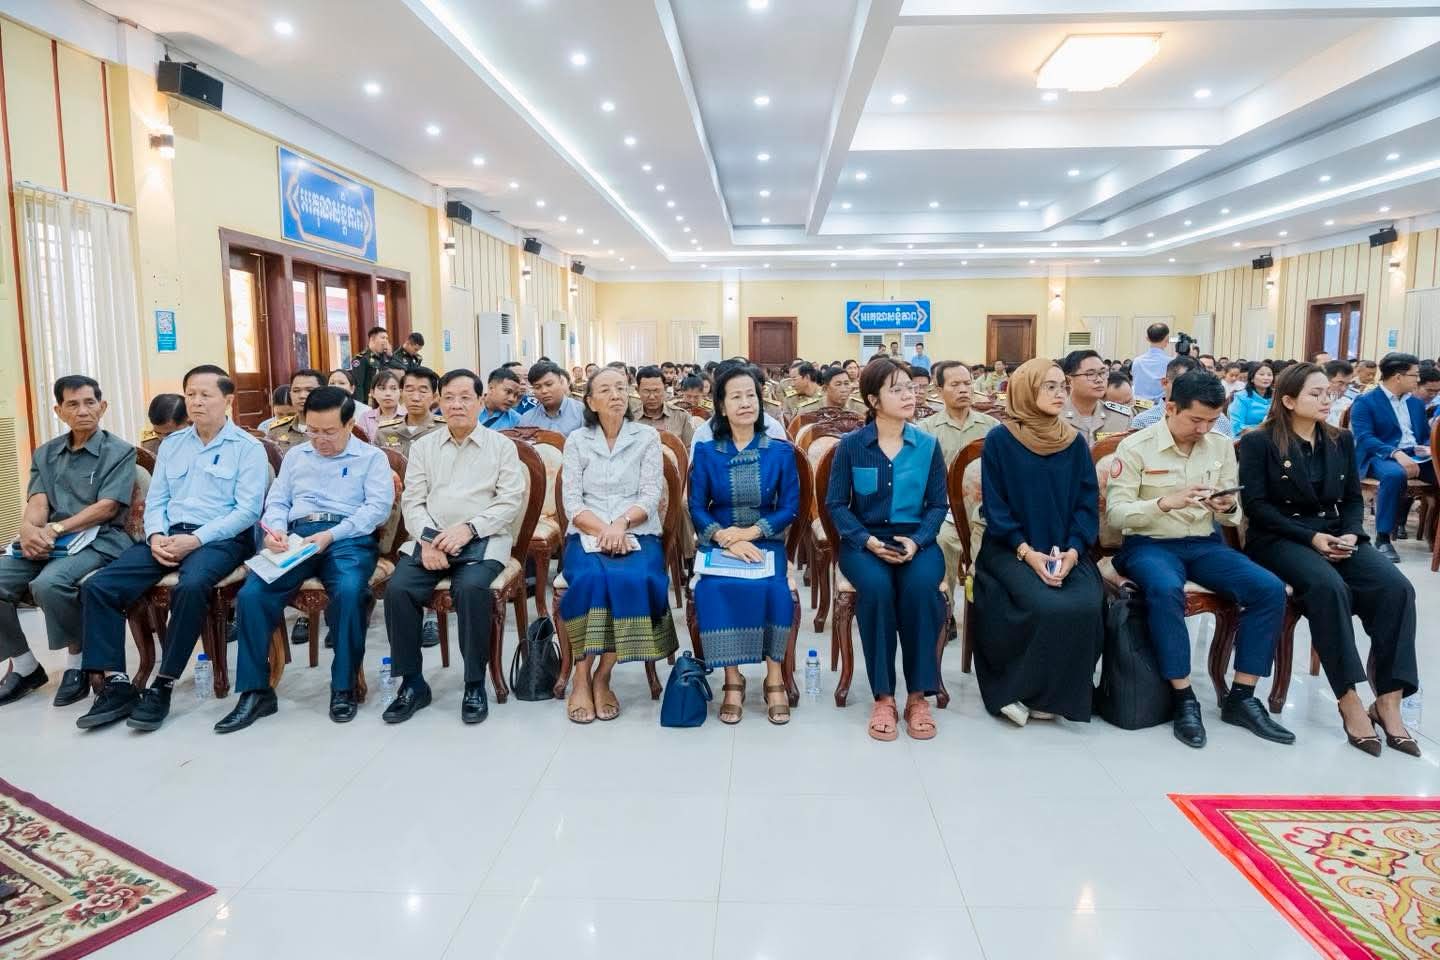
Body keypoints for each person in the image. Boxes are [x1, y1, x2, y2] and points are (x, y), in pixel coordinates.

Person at [1237, 363, 1419, 757]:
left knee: (1396, 588)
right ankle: (1348, 698)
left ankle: (1388, 700)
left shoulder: (1340, 439)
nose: (1327, 400)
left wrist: (1351, 533)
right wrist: (1311, 537)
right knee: (1328, 587)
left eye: (1329, 393)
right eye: (1316, 394)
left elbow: (1352, 498)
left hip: (1335, 532)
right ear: (1289, 401)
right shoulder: (1259, 441)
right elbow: (1256, 507)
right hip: (1280, 537)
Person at [1106, 370, 1293, 750]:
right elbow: (1116, 514)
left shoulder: (1219, 445)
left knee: (1269, 589)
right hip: (1149, 544)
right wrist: (1164, 502)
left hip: (1204, 544)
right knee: (1164, 588)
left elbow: (1232, 515)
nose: (1204, 429)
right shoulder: (1136, 446)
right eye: (1196, 420)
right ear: (1170, 407)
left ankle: (1242, 696)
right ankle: (1183, 696)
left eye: (1212, 420)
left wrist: (1226, 506)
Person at [76, 365, 268, 732]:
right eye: (190, 394)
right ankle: (117, 684)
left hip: (221, 539)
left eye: (205, 395)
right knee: (99, 586)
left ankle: (163, 683)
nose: (196, 402)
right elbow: (158, 500)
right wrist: (155, 536)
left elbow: (247, 512)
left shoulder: (248, 448)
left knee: (191, 585)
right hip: (167, 535)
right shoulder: (173, 444)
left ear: (228, 400)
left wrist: (196, 540)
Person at [214, 387, 394, 733]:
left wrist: (332, 535)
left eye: (329, 431)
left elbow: (376, 510)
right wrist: (276, 531)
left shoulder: (371, 458)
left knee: (350, 592)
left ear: (349, 425)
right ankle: (256, 692)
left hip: (348, 538)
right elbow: (278, 500)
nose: (320, 439)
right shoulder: (296, 456)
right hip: (297, 538)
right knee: (252, 595)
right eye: (313, 430)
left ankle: (343, 687)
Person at [381, 370, 527, 725]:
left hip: (483, 539)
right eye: (449, 397)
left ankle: (474, 683)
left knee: (471, 590)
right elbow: (413, 501)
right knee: (398, 590)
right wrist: (429, 539)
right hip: (431, 539)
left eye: (465, 397)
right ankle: (412, 684)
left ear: (480, 400)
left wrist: (469, 529)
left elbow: (509, 501)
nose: (456, 405)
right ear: (439, 402)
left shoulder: (501, 447)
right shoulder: (424, 447)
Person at [972, 359, 1104, 726]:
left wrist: (1073, 552)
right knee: (1042, 603)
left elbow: (1086, 504)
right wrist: (1029, 554)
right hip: (1010, 548)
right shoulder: (1000, 441)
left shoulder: (1073, 442)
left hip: (1065, 548)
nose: (1060, 393)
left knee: (1086, 603)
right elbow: (996, 510)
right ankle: (1018, 689)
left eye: (1063, 386)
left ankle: (1059, 694)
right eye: (1049, 386)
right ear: (1026, 390)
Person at [825, 359, 948, 742]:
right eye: (897, 389)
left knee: (920, 589)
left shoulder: (927, 446)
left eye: (910, 387)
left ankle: (918, 696)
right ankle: (883, 697)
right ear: (873, 400)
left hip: (916, 539)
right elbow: (836, 505)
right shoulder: (851, 446)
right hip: (865, 541)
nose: (909, 395)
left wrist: (917, 540)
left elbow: (937, 505)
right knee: (877, 589)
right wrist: (867, 541)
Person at [0, 376, 136, 708]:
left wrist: (55, 529)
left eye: (90, 402)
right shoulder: (46, 453)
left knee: (49, 584)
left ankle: (78, 661)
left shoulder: (119, 451)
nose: (83, 411)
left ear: (102, 407)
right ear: (59, 411)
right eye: (72, 404)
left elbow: (107, 507)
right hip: (52, 538)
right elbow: (38, 502)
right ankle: (25, 666)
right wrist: (29, 530)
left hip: (100, 538)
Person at [558, 368, 678, 724]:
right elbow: (572, 502)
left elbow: (650, 494)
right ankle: (581, 674)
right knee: (590, 579)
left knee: (637, 579)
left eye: (621, 389)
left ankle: (603, 675)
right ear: (590, 401)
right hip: (587, 531)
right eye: (606, 390)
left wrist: (621, 525)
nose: (615, 395)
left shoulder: (646, 437)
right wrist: (606, 530)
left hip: (637, 530)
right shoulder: (577, 440)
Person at [689, 364, 799, 725]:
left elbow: (789, 508)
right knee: (714, 588)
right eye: (736, 397)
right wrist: (725, 537)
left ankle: (774, 676)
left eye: (751, 395)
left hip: (765, 540)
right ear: (721, 406)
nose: (746, 403)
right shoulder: (707, 452)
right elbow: (696, 507)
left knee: (774, 590)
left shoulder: (780, 451)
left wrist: (749, 534)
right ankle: (732, 679)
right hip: (720, 540)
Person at [919, 361, 998, 599]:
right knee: (940, 541)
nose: (963, 389)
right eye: (955, 384)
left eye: (967, 383)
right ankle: (945, 609)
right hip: (945, 512)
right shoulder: (926, 430)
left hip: (987, 512)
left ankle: (985, 608)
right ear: (939, 389)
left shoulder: (993, 428)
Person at [1350, 351, 1434, 561]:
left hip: (1416, 455)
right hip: (1379, 455)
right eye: (1414, 375)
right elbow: (1365, 437)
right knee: (1394, 475)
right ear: (1398, 376)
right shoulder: (1365, 401)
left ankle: (1434, 532)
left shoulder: (1415, 403)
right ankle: (1383, 538)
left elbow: (1424, 435)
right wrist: (1395, 452)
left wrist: (1427, 448)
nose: (1418, 380)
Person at [1131, 355, 1233, 437]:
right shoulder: (1144, 422)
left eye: (1196, 385)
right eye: (1181, 384)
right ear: (1165, 382)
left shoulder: (1221, 422)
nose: (1202, 429)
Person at [1060, 349, 1133, 445]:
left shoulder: (1121, 417)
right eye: (1090, 374)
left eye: (1102, 373)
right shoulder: (1054, 417)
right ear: (1070, 381)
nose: (1099, 380)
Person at [375, 367, 446, 458]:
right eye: (410, 390)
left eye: (423, 391)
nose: (415, 398)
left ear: (434, 397)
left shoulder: (445, 429)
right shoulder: (384, 431)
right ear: (401, 393)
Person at [266, 369, 324, 455]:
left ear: (324, 392)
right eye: (296, 391)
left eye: (309, 390)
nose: (302, 396)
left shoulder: (333, 428)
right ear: (290, 394)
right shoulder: (277, 429)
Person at [634, 365, 695, 446]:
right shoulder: (630, 419)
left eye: (657, 391)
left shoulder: (681, 416)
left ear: (665, 388)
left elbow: (690, 449)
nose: (652, 397)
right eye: (646, 391)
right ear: (637, 390)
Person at [518, 360, 585, 435]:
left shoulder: (582, 412)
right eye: (537, 387)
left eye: (549, 384)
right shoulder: (527, 419)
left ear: (561, 382)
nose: (544, 391)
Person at [350, 325, 398, 403]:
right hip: (368, 402)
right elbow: (358, 385)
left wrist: (391, 356)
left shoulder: (385, 357)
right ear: (372, 339)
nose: (386, 341)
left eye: (387, 338)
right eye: (383, 338)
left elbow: (403, 368)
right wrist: (360, 405)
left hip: (382, 400)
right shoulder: (361, 358)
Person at [1129, 322, 1172, 403]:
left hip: (1138, 406)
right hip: (1161, 407)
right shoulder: (1171, 363)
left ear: (1147, 338)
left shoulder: (1137, 361)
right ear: (1167, 339)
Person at [357, 368, 401, 440]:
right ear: (372, 393)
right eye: (382, 388)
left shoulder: (409, 416)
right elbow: (360, 444)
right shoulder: (366, 417)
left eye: (393, 388)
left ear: (400, 392)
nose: (388, 393)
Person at [1228, 362, 1274, 432]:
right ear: (1252, 378)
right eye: (1261, 374)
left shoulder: (1276, 396)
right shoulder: (1241, 397)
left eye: (1269, 375)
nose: (1266, 378)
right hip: (1248, 436)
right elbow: (1236, 426)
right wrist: (1261, 428)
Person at [478, 366, 524, 431]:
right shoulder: (470, 409)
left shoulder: (516, 420)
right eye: (508, 392)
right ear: (491, 388)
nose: (512, 399)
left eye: (516, 395)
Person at [1323, 359, 1355, 427]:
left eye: (1347, 384)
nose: (1344, 389)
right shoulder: (1313, 403)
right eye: (1340, 383)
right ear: (1326, 379)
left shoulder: (1348, 404)